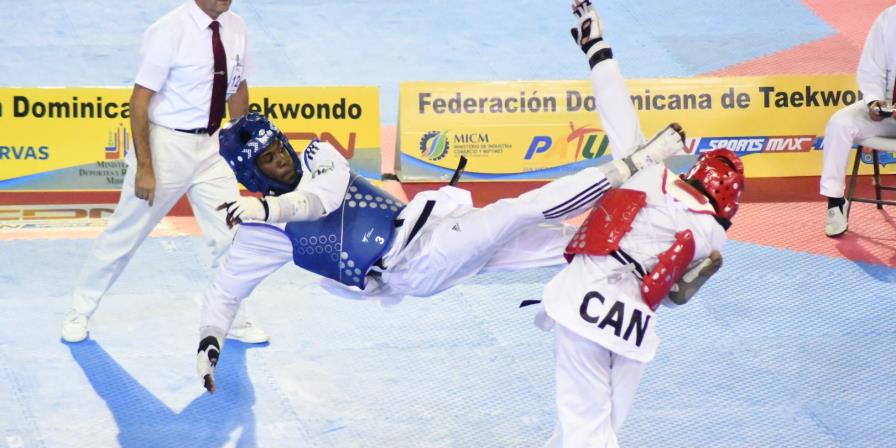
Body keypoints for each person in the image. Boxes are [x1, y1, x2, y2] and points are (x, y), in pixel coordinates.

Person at [194, 110, 689, 392]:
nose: (282, 159)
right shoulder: (261, 234)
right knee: (518, 211)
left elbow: (318, 201)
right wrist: (208, 345)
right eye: (268, 160)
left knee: (552, 244)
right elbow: (225, 291)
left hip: (431, 230)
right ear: (252, 173)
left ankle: (653, 262)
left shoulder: (319, 158)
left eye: (278, 147)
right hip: (412, 265)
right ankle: (636, 162)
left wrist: (263, 208)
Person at [513, 2, 745, 448]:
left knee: (584, 433)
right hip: (634, 325)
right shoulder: (715, 236)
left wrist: (597, 48)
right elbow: (677, 295)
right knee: (594, 434)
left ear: (694, 172)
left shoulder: (650, 171)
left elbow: (617, 107)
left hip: (585, 301)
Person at [62, 0, 266, 344]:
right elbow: (139, 101)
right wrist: (145, 167)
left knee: (232, 235)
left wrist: (242, 145)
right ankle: (78, 311)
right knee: (124, 235)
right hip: (166, 147)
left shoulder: (237, 26)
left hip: (212, 148)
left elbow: (238, 85)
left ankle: (230, 318)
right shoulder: (168, 30)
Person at [820, 4, 896, 237]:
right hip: (888, 110)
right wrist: (874, 101)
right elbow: (872, 68)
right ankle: (835, 203)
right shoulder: (889, 18)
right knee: (840, 124)